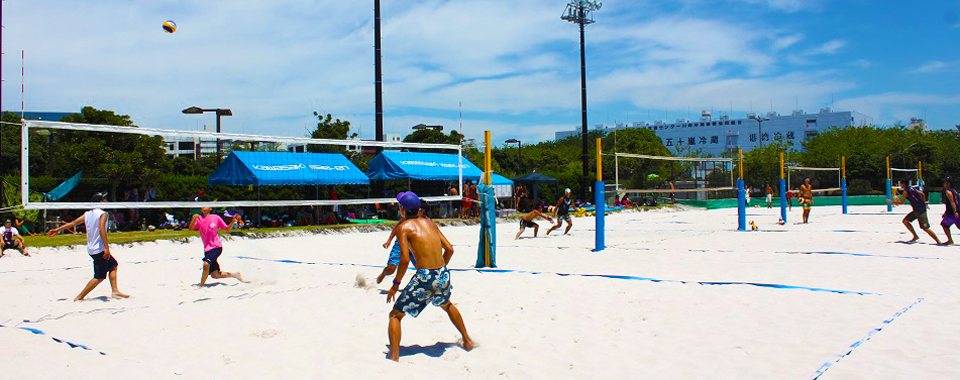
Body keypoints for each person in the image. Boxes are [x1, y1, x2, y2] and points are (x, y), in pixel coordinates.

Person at [386, 192, 473, 362]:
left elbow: (404, 260)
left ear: (402, 210)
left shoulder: (404, 228)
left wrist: (396, 284)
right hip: (442, 272)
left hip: (425, 275)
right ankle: (467, 341)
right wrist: (439, 269)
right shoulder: (430, 223)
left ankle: (394, 356)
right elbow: (450, 249)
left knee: (395, 315)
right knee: (446, 304)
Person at [48, 193, 130, 301]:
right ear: (100, 202)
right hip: (99, 249)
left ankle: (115, 291)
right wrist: (107, 248)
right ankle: (80, 297)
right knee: (99, 277)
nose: (106, 201)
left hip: (92, 249)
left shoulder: (88, 214)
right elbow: (101, 230)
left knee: (113, 265)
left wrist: (57, 230)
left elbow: (73, 223)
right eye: (104, 199)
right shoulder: (103, 214)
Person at [190, 207, 246, 287]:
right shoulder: (199, 218)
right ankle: (235, 275)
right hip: (207, 249)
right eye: (202, 206)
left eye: (206, 206)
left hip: (216, 247)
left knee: (206, 265)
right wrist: (194, 219)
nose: (203, 207)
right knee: (215, 275)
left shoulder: (215, 218)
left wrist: (233, 222)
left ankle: (201, 286)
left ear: (210, 208)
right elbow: (191, 229)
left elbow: (227, 229)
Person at [376, 192, 420, 284]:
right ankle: (384, 273)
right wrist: (388, 241)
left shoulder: (420, 218)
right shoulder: (405, 219)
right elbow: (396, 229)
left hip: (414, 245)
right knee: (391, 269)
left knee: (421, 269)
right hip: (400, 245)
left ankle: (412, 285)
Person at [889, 179, 942, 244]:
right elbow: (922, 194)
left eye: (901, 184)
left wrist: (891, 202)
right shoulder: (912, 188)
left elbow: (901, 202)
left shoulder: (906, 191)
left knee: (925, 228)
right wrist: (924, 203)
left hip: (920, 211)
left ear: (904, 184)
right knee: (905, 221)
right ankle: (915, 236)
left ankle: (938, 241)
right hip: (917, 210)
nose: (900, 185)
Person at [941, 177, 959, 245]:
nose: (944, 183)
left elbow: (952, 202)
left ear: (948, 184)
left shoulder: (948, 191)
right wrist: (945, 212)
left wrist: (955, 211)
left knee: (944, 225)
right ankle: (950, 240)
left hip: (953, 213)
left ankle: (950, 240)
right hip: (955, 211)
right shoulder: (954, 190)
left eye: (945, 182)